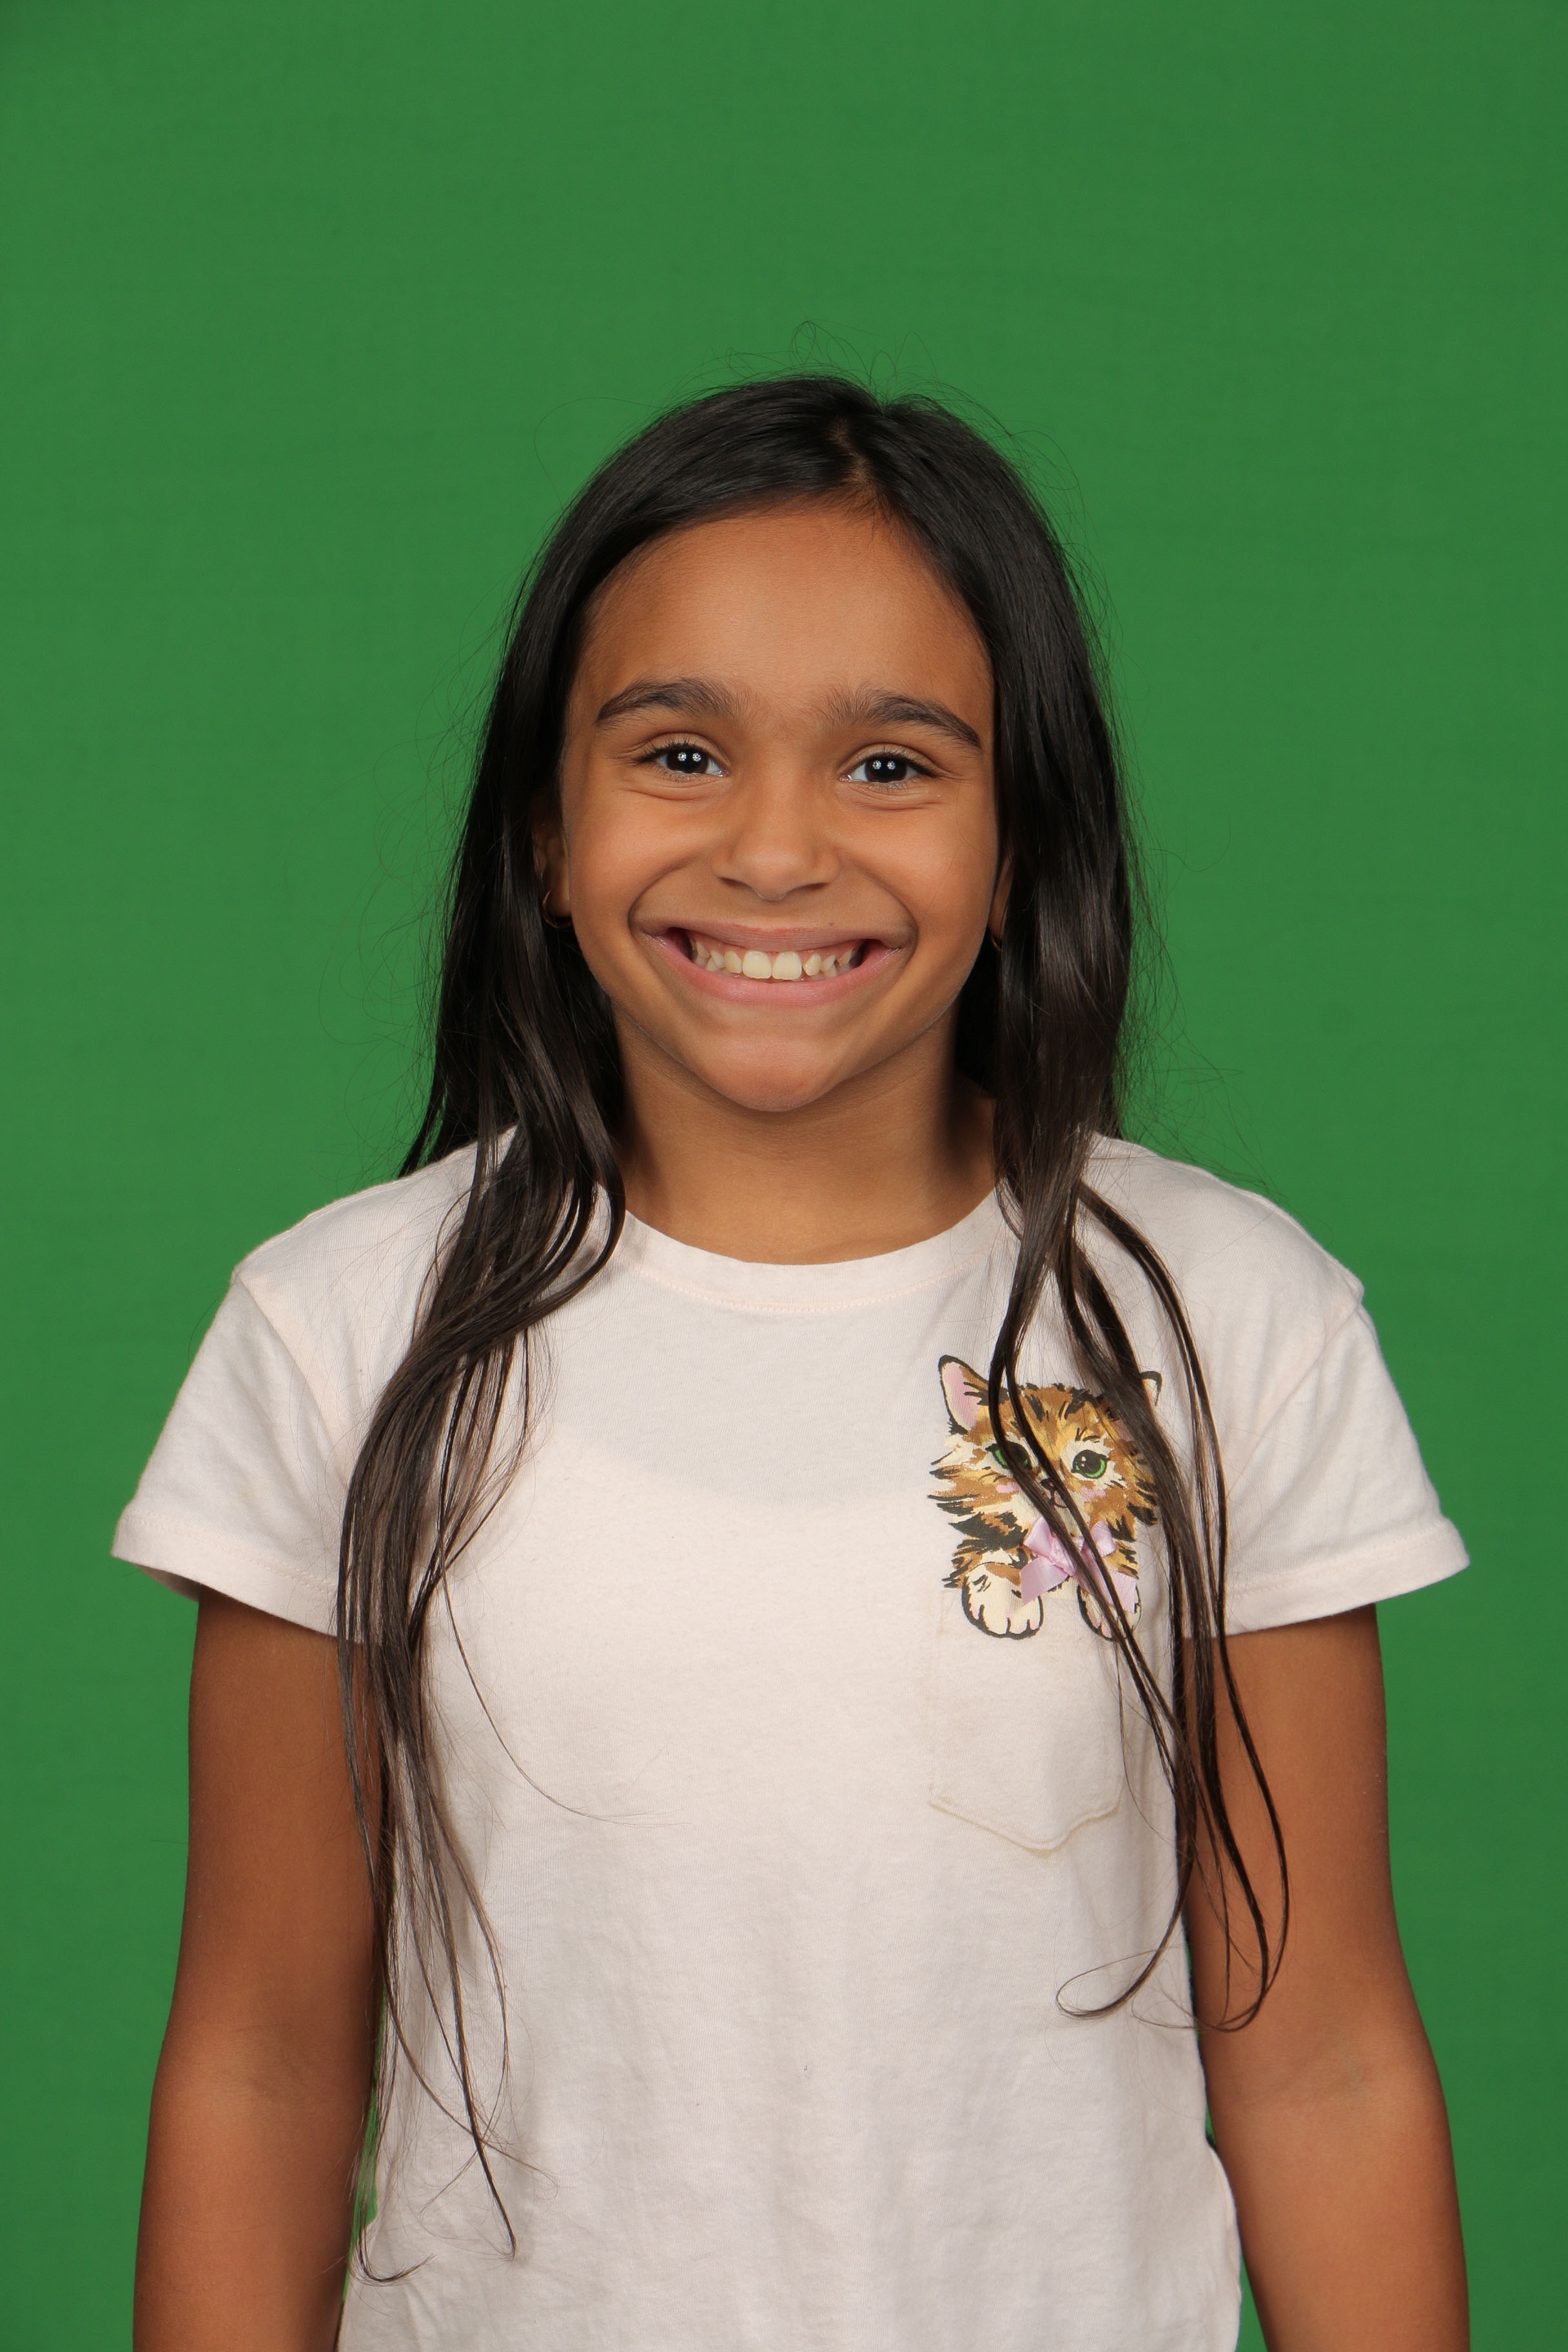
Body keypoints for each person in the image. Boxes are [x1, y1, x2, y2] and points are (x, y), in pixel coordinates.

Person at [117, 375, 1469, 2351]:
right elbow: (261, 2062)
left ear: (1019, 838)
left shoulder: (1229, 1321)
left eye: (891, 765)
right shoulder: (342, 1337)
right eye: (679, 753)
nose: (774, 849)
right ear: (545, 832)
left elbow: (1324, 2055)